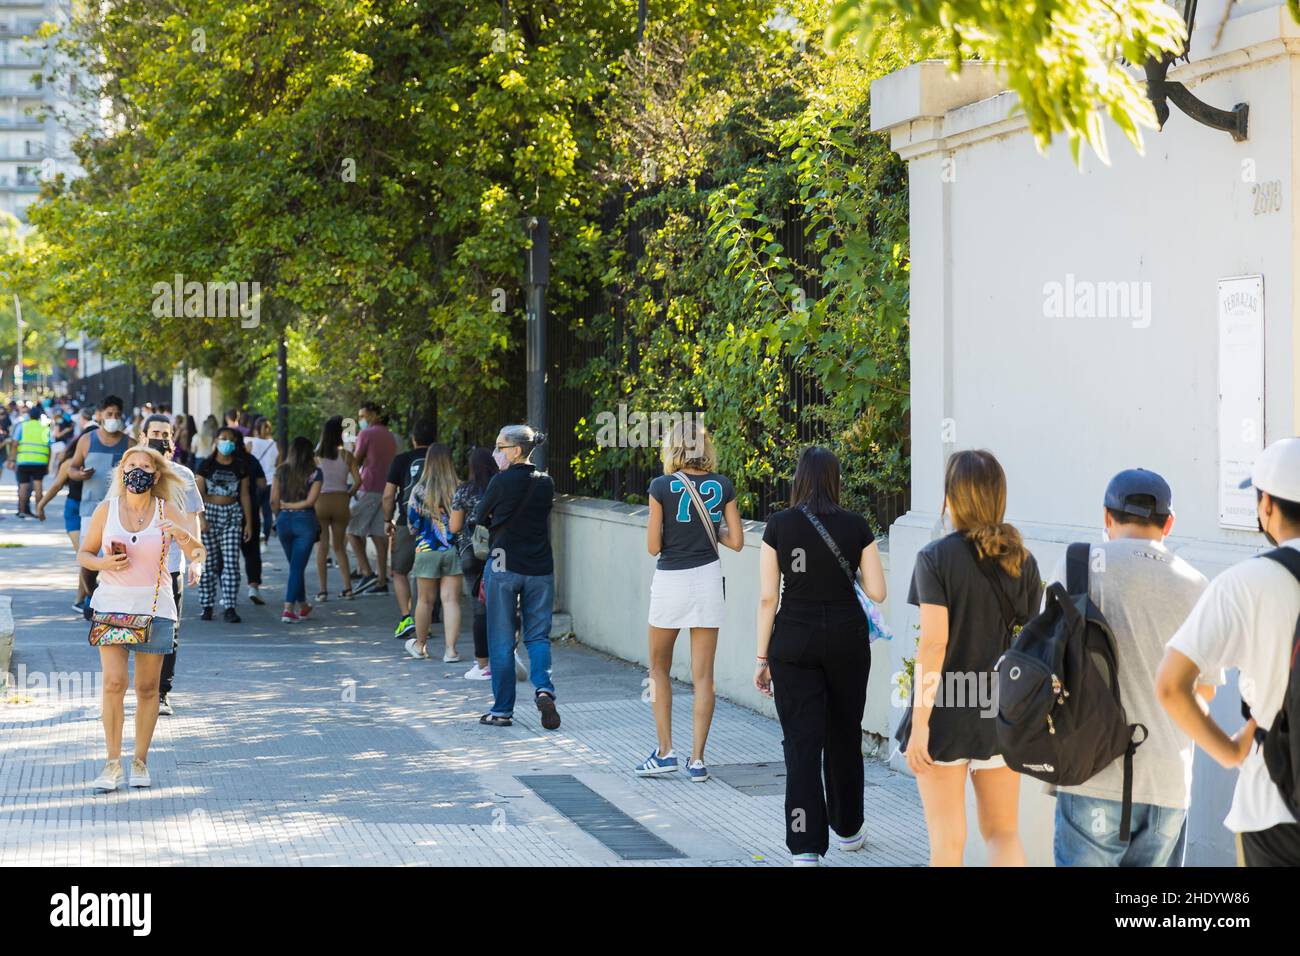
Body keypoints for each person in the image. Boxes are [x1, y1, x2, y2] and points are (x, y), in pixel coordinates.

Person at [1049, 469, 1213, 867]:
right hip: (1168, 782)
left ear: (1107, 517)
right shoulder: (1196, 584)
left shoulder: (1080, 563)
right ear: (1169, 523)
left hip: (1093, 774)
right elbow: (1204, 693)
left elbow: (1047, 667)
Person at [895, 449, 1042, 867]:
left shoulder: (935, 559)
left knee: (947, 842)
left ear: (952, 498)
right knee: (1002, 832)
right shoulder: (1021, 560)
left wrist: (919, 725)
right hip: (999, 710)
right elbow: (1029, 645)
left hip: (945, 711)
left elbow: (934, 644)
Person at [1157, 437, 1300, 867]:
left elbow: (1170, 685)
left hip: (1275, 804)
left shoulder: (1247, 583)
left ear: (1267, 505)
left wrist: (1228, 750)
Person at [753, 446, 886, 865]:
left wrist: (762, 659)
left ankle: (805, 847)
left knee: (801, 744)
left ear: (799, 480)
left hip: (794, 643)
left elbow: (766, 597)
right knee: (845, 733)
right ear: (835, 480)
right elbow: (878, 592)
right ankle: (848, 830)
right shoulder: (856, 526)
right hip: (848, 641)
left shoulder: (778, 526)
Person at [80, 445, 206, 791]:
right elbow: (85, 553)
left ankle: (140, 761)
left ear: (156, 474)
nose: (138, 470)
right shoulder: (106, 511)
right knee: (113, 684)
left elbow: (197, 550)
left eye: (145, 466)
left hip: (155, 608)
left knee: (148, 688)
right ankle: (111, 764)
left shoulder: (168, 509)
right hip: (111, 607)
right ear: (122, 472)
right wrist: (103, 563)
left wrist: (189, 551)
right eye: (131, 464)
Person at [637, 420, 743, 783]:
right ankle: (697, 761)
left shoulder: (660, 486)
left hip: (671, 581)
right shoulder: (723, 485)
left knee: (658, 668)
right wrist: (709, 527)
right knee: (704, 677)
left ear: (674, 448)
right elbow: (737, 541)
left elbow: (653, 546)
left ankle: (664, 751)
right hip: (708, 580)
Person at [471, 425, 560, 729]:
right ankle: (544, 690)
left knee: (501, 639)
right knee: (537, 636)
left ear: (517, 450)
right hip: (540, 568)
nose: (496, 453)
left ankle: (502, 710)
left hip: (502, 565)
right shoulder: (546, 483)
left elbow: (479, 517)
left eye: (500, 447)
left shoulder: (500, 482)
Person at [141, 415, 204, 716]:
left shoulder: (183, 475)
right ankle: (144, 688)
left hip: (172, 565)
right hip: (138, 566)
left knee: (170, 631)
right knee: (139, 628)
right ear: (143, 436)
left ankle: (162, 693)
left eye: (165, 433)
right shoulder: (132, 471)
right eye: (154, 432)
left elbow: (192, 519)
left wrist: (197, 559)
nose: (160, 438)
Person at [66, 396, 130, 619]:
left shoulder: (128, 443)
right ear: (100, 415)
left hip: (119, 508)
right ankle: (91, 598)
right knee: (89, 556)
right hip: (90, 508)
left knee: (117, 555)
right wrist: (80, 474)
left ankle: (114, 600)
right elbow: (71, 468)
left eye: (117, 415)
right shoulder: (87, 440)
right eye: (109, 414)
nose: (113, 419)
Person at [404, 443, 463, 661]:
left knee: (425, 601)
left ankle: (420, 646)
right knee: (451, 601)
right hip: (453, 549)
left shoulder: (419, 491)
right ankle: (451, 651)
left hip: (426, 549)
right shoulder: (459, 487)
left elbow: (412, 525)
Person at [195, 426, 253, 623]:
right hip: (209, 514)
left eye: (230, 439)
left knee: (231, 563)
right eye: (223, 438)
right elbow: (197, 494)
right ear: (216, 441)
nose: (226, 442)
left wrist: (249, 523)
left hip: (232, 515)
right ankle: (207, 605)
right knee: (208, 563)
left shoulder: (240, 466)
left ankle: (229, 606)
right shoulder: (206, 465)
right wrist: (201, 518)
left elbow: (245, 495)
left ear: (235, 444)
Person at [450, 447, 499, 680]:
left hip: (472, 552)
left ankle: (482, 665)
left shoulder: (464, 490)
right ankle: (505, 656)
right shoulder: (500, 486)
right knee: (502, 605)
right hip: (499, 551)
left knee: (479, 609)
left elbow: (454, 527)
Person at [384, 419, 435, 641]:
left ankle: (407, 617)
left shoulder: (401, 460)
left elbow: (388, 494)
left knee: (400, 571)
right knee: (432, 572)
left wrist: (388, 519)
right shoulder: (441, 459)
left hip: (408, 522)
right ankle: (427, 619)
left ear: (413, 439)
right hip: (436, 525)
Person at [348, 403, 397, 596]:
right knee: (378, 535)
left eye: (363, 415)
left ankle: (367, 572)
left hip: (368, 487)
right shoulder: (390, 435)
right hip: (385, 488)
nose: (361, 419)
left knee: (351, 529)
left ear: (374, 415)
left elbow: (356, 460)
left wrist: (351, 452)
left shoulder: (366, 434)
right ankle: (381, 580)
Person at [271, 437, 322, 623]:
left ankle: (303, 605)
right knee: (297, 566)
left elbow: (273, 500)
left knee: (295, 566)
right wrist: (295, 505)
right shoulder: (315, 473)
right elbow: (310, 501)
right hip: (305, 521)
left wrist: (280, 512)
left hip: (284, 520)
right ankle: (288, 608)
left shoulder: (280, 471)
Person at [314, 415, 360, 600]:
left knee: (322, 547)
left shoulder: (317, 458)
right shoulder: (347, 456)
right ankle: (348, 589)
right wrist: (348, 494)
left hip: (321, 502)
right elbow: (359, 480)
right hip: (341, 501)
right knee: (339, 547)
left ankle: (323, 591)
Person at [237, 440, 269, 606]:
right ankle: (253, 587)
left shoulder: (217, 461)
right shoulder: (250, 460)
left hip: (224, 512)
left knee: (227, 556)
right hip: (250, 511)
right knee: (252, 551)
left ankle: (228, 592)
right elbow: (262, 483)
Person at [6, 403, 51, 518]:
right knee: (38, 487)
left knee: (23, 487)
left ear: (29, 415)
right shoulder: (45, 428)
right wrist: (48, 463)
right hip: (40, 461)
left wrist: (12, 459)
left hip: (24, 461)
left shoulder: (22, 426)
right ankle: (39, 511)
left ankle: (21, 511)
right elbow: (49, 447)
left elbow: (15, 444)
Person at [246, 416, 279, 541]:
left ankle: (254, 535)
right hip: (270, 481)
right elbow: (277, 464)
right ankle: (265, 538)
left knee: (254, 510)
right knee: (267, 512)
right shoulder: (275, 445)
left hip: (255, 481)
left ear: (256, 428)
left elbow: (246, 459)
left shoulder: (251, 443)